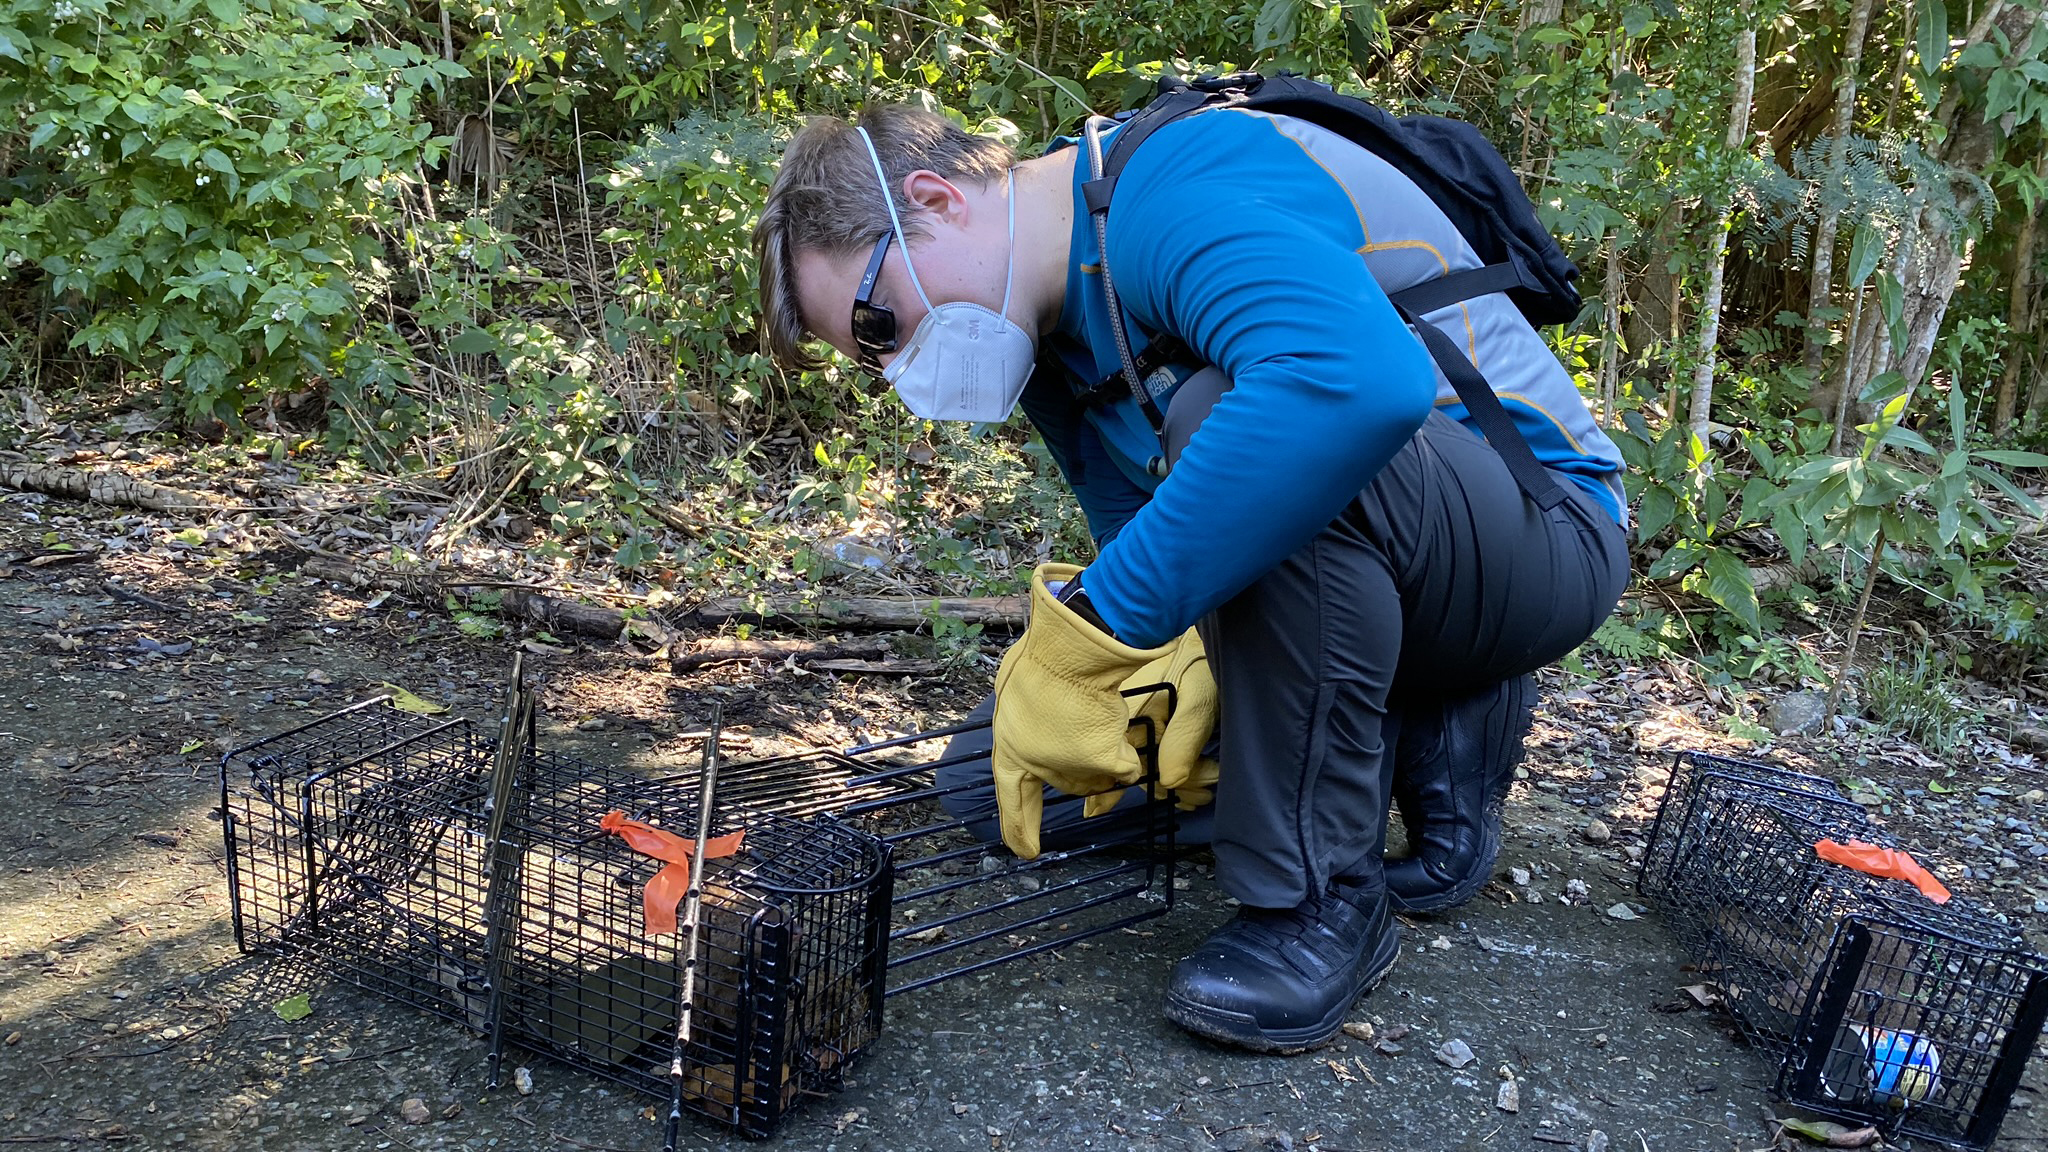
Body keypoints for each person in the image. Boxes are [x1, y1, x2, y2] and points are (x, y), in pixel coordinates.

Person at [751, 98, 1629, 1052]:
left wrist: (1100, 628)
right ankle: (1409, 726)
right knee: (997, 783)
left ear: (935, 200)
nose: (895, 369)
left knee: (1241, 424)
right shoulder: (1047, 338)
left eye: (878, 324)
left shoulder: (1168, 189)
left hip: (1542, 536)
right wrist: (1142, 676)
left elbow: (1351, 386)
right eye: (869, 361)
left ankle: (1319, 897)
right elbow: (1144, 532)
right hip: (1377, 574)